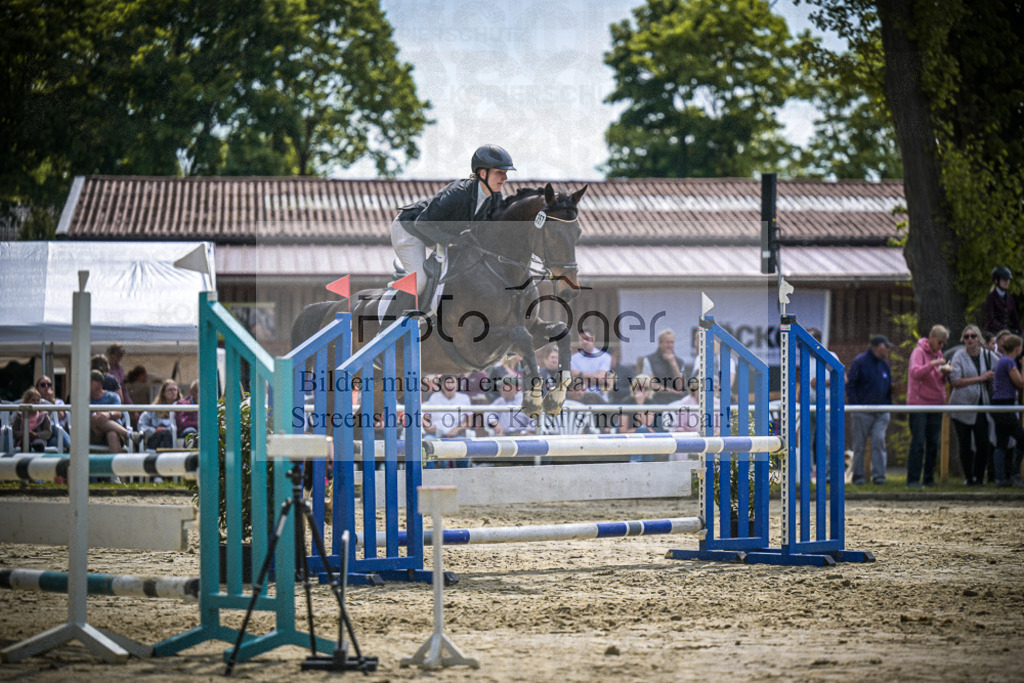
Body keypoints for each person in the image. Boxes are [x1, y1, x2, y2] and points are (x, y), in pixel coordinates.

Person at [391, 144, 514, 297]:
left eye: (505, 172)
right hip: (409, 228)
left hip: (435, 233)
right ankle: (390, 317)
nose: (505, 178)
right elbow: (421, 223)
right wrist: (451, 240)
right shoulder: (457, 193)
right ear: (483, 173)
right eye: (499, 172)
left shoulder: (495, 198)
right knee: (419, 282)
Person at [948, 325, 996, 485]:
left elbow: (1004, 368)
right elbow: (956, 381)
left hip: (982, 405)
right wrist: (981, 378)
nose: (969, 339)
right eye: (966, 336)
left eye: (973, 336)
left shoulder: (988, 355)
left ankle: (979, 477)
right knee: (965, 444)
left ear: (979, 339)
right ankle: (969, 477)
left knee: (983, 443)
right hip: (961, 405)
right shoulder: (958, 356)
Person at [906, 325, 951, 488]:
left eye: (943, 343)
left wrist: (944, 374)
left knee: (933, 442)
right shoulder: (918, 352)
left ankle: (929, 478)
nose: (941, 346)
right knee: (918, 442)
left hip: (936, 403)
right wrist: (933, 364)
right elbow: (915, 373)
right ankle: (912, 480)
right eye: (939, 342)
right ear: (931, 337)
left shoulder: (937, 353)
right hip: (919, 403)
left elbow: (936, 378)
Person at [846, 335, 894, 485]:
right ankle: (858, 477)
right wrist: (856, 406)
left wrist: (887, 406)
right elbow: (850, 385)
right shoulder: (859, 362)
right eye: (886, 346)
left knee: (879, 442)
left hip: (881, 413)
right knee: (859, 446)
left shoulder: (885, 365)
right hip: (862, 412)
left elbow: (888, 388)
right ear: (878, 347)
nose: (888, 349)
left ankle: (879, 477)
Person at [991, 334, 1024, 487]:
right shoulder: (1009, 361)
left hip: (999, 404)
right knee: (1021, 438)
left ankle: (1000, 478)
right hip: (1004, 405)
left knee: (1002, 441)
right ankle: (1015, 474)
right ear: (1017, 348)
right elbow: (1020, 383)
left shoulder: (1002, 361)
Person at [89, 369, 131, 452]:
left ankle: (115, 464)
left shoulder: (113, 396)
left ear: (98, 383)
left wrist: (108, 414)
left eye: (89, 381)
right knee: (95, 417)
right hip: (93, 431)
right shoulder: (85, 399)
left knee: (112, 434)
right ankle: (128, 434)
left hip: (113, 430)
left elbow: (118, 413)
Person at [640, 329, 686, 404]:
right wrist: (672, 391)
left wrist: (673, 364)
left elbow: (680, 386)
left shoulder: (680, 362)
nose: (670, 345)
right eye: (667, 342)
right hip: (655, 401)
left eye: (672, 342)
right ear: (660, 344)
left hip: (675, 402)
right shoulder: (649, 360)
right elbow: (651, 385)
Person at [139, 379, 179, 450]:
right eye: (170, 390)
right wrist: (154, 430)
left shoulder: (182, 407)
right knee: (164, 434)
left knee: (166, 435)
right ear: (163, 393)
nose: (173, 392)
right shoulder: (154, 408)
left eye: (175, 390)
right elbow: (141, 425)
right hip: (156, 439)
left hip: (175, 438)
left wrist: (168, 430)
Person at [570, 327, 612, 396]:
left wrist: (580, 374)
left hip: (600, 399)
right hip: (580, 399)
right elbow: (574, 382)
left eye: (587, 339)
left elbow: (602, 379)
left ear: (593, 338)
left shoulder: (605, 356)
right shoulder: (573, 358)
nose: (584, 342)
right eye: (581, 339)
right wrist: (596, 380)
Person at [34, 375, 70, 450]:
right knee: (52, 426)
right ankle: (72, 447)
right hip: (40, 432)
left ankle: (70, 446)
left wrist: (51, 400)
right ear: (37, 388)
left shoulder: (58, 402)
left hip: (56, 434)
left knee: (55, 438)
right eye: (43, 385)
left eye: (49, 384)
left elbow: (60, 417)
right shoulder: (34, 402)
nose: (46, 387)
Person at [983, 266, 1021, 337]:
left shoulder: (1010, 299)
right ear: (996, 280)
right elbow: (991, 319)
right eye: (1004, 279)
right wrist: (1006, 329)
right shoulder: (990, 297)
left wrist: (1021, 332)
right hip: (993, 334)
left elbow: (1015, 319)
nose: (1007, 281)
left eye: (1008, 279)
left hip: (1006, 334)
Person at [12, 388, 52, 452]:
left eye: (38, 400)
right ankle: (24, 461)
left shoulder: (43, 416)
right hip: (23, 439)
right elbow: (14, 431)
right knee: (25, 444)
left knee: (39, 444)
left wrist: (37, 434)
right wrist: (24, 433)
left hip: (38, 439)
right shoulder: (19, 416)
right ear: (26, 401)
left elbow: (48, 432)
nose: (36, 402)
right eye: (33, 400)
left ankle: (39, 461)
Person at [175, 379, 199, 447]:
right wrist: (204, 424)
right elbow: (183, 423)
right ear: (191, 391)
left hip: (205, 431)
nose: (201, 394)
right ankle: (194, 456)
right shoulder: (182, 403)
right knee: (191, 431)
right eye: (197, 391)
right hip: (187, 431)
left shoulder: (210, 403)